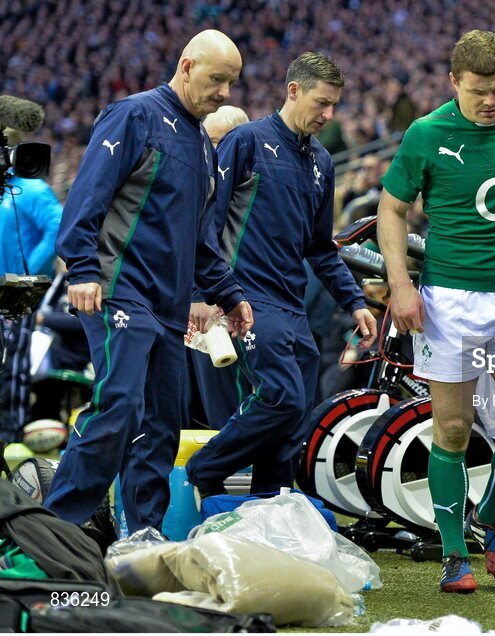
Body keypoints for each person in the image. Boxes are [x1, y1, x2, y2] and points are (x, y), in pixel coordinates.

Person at [376, 30, 495, 593]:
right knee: (455, 430)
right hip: (449, 301)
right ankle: (454, 554)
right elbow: (391, 210)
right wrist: (399, 283)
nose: (490, 101)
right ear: (453, 82)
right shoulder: (427, 133)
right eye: (478, 91)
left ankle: (486, 518)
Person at [46, 30, 254, 534]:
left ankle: (142, 536)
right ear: (186, 66)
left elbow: (200, 242)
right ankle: (53, 534)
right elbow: (87, 196)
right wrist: (82, 268)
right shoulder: (133, 115)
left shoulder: (205, 146)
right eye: (216, 79)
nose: (226, 92)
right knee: (121, 405)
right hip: (118, 287)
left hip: (169, 306)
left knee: (161, 426)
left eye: (232, 83)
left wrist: (227, 293)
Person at [186, 53, 375, 498]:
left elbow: (320, 248)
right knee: (282, 396)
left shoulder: (322, 162)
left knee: (295, 416)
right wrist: (201, 292)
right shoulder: (246, 141)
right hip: (246, 298)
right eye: (321, 103)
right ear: (294, 91)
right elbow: (206, 220)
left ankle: (269, 504)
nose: (328, 115)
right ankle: (202, 470)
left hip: (292, 305)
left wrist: (355, 302)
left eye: (334, 106)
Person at [185, 104, 251, 430]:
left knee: (227, 408)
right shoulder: (205, 184)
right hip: (198, 311)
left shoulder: (245, 191)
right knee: (196, 409)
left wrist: (210, 297)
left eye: (216, 141)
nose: (211, 150)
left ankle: (233, 477)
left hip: (226, 309)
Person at [0, 125, 62, 442]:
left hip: (13, 295)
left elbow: (57, 229)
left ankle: (9, 435)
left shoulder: (32, 188)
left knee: (10, 365)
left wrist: (25, 276)